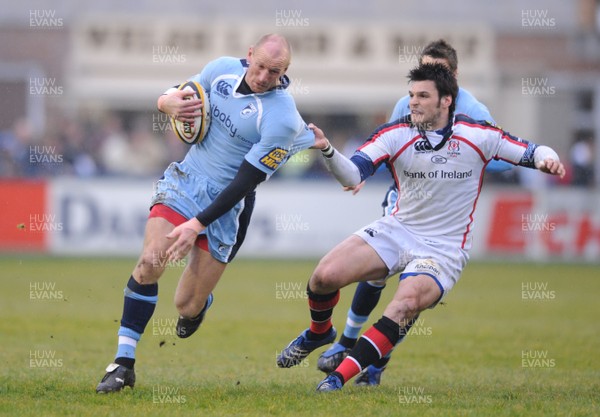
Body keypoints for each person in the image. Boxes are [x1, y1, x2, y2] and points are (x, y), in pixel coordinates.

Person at [276, 62, 565, 392]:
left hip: (442, 249)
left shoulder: (478, 134)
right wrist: (328, 150)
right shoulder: (396, 133)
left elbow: (530, 150)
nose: (412, 102)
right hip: (398, 229)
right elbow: (352, 175)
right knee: (324, 277)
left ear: (446, 101)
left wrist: (547, 159)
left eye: (423, 95)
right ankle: (319, 332)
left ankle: (338, 377)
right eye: (411, 94)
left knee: (404, 305)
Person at [96, 33, 315, 393]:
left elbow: (244, 183)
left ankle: (200, 307)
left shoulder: (283, 119)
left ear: (285, 71)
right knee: (151, 261)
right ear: (249, 56)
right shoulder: (222, 70)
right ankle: (123, 363)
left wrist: (197, 224)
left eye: (274, 72)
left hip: (230, 205)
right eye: (259, 66)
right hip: (187, 181)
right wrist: (166, 102)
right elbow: (182, 92)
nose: (263, 77)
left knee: (186, 303)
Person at [317, 39, 512, 386]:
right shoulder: (404, 105)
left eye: (438, 72)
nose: (427, 81)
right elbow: (389, 145)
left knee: (414, 292)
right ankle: (347, 339)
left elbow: (497, 158)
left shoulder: (476, 114)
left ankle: (375, 362)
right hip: (404, 204)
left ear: (453, 78)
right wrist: (360, 171)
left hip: (442, 220)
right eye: (424, 70)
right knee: (373, 274)